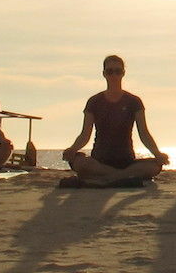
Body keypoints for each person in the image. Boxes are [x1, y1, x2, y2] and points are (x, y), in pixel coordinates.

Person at [63, 55, 169, 186]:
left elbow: (144, 133)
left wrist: (157, 154)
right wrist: (73, 149)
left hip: (126, 160)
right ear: (104, 74)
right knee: (79, 162)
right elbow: (85, 134)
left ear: (123, 74)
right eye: (110, 71)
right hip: (99, 160)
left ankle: (110, 177)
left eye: (118, 71)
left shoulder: (134, 101)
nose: (114, 75)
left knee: (154, 166)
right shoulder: (94, 101)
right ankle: (120, 177)